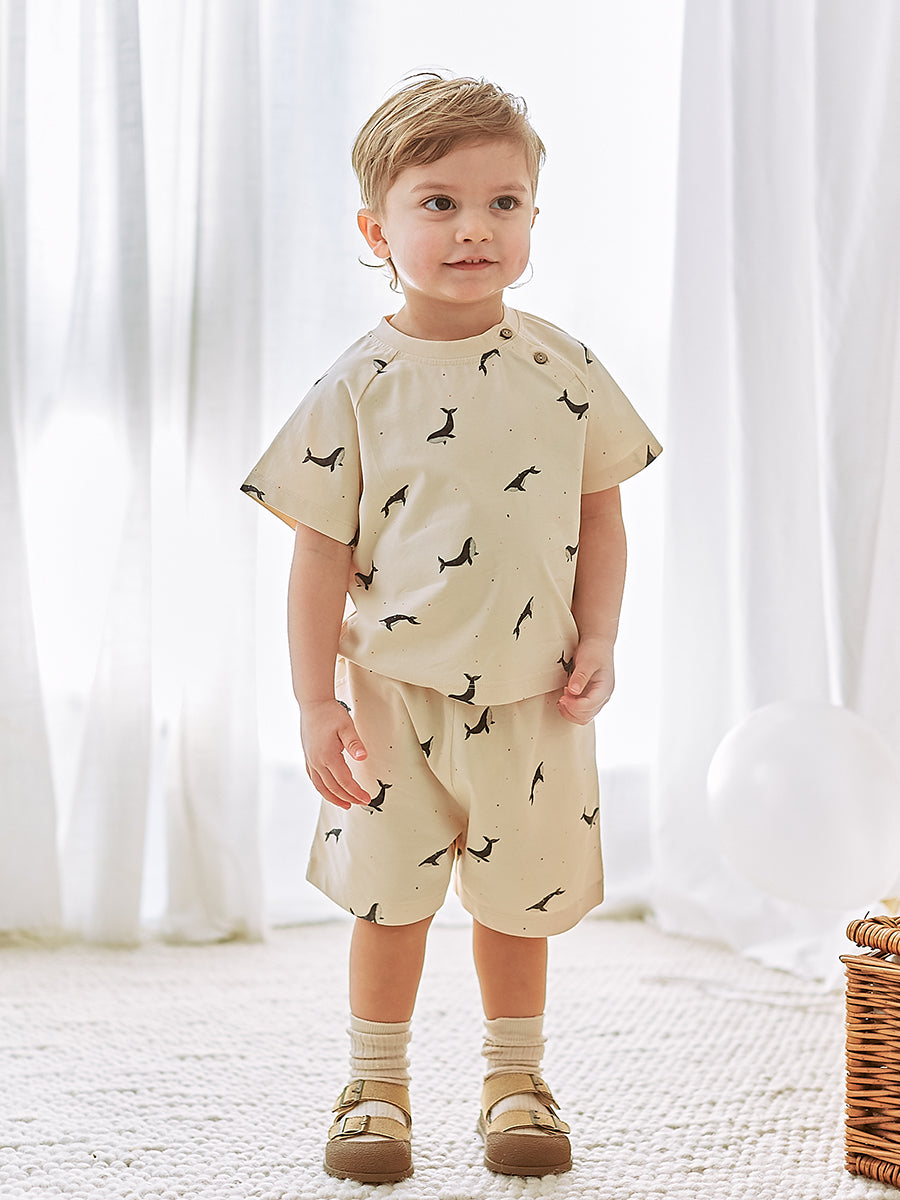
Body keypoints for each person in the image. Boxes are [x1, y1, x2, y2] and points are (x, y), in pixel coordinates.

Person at [242, 72, 661, 1184]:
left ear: (533, 217)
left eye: (502, 203)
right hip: (392, 698)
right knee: (390, 900)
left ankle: (515, 1079)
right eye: (439, 204)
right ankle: (375, 1086)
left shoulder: (566, 368)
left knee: (520, 900)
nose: (475, 228)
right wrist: (314, 701)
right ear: (378, 231)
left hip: (534, 695)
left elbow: (601, 512)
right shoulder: (356, 385)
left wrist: (601, 637)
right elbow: (317, 553)